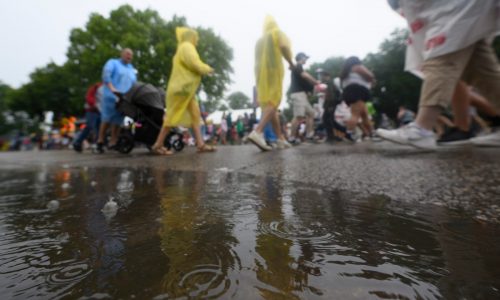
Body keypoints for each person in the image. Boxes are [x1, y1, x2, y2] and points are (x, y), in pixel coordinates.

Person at [378, 0, 500, 150]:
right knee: (482, 70)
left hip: (459, 6)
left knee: (443, 56)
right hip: (467, 7)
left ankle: (422, 128)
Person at [151, 27, 215, 155]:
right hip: (182, 89)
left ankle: (200, 144)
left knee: (195, 115)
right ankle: (158, 145)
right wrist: (208, 69)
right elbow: (194, 63)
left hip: (185, 89)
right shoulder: (187, 47)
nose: (197, 40)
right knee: (172, 116)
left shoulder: (182, 48)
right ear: (191, 37)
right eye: (195, 38)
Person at [248, 16, 294, 151]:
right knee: (274, 101)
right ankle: (258, 131)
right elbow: (284, 46)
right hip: (274, 71)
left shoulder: (259, 40)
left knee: (270, 106)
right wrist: (291, 63)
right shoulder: (276, 32)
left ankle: (280, 138)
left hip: (261, 74)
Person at [96, 48, 137, 153]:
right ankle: (100, 141)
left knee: (118, 120)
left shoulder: (131, 68)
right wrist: (111, 87)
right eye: (128, 54)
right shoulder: (113, 63)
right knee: (107, 119)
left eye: (131, 55)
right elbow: (106, 74)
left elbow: (134, 83)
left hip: (124, 98)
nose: (129, 56)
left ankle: (113, 142)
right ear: (122, 54)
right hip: (111, 96)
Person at [288, 52, 321, 144]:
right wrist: (316, 82)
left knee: (311, 113)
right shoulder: (298, 66)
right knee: (298, 117)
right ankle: (291, 138)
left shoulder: (297, 68)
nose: (306, 60)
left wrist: (308, 91)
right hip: (298, 94)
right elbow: (305, 76)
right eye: (305, 58)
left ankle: (309, 135)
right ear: (301, 58)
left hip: (301, 94)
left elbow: (303, 81)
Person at [340, 56, 375, 139]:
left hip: (350, 91)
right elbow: (370, 76)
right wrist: (372, 79)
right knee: (355, 115)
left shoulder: (346, 72)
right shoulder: (356, 67)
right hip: (357, 91)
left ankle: (373, 133)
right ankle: (348, 133)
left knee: (364, 115)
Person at [73, 82, 103, 152]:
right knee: (90, 125)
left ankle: (99, 144)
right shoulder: (97, 86)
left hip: (101, 111)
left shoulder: (110, 87)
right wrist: (94, 104)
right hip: (92, 110)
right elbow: (89, 97)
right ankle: (78, 142)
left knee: (100, 128)